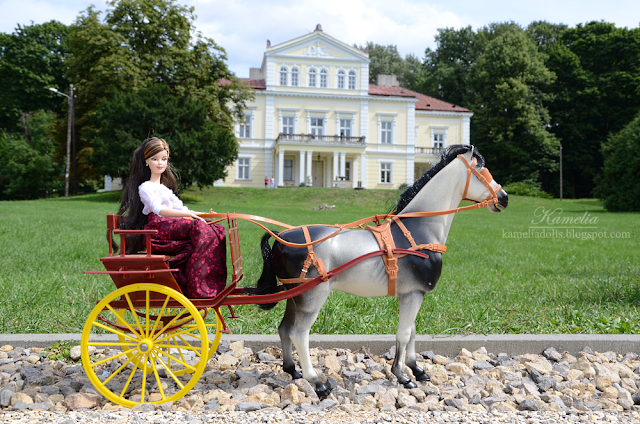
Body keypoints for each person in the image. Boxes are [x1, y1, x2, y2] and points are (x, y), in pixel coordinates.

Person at [114, 137, 226, 298]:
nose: (160, 163)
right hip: (158, 229)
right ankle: (196, 284)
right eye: (155, 159)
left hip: (171, 225)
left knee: (215, 227)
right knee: (199, 227)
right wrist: (188, 215)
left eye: (164, 159)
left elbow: (182, 208)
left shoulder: (164, 189)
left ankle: (209, 281)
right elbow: (159, 209)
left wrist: (206, 215)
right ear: (146, 161)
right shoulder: (145, 187)